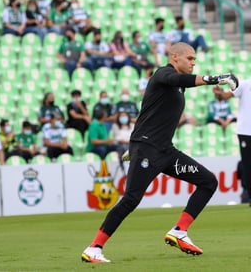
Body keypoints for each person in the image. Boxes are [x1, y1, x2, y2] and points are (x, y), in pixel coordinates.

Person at [81, 42, 238, 262]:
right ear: (175, 57)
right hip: (147, 148)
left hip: (164, 152)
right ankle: (94, 248)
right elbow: (177, 80)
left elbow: (153, 114)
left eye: (195, 59)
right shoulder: (163, 74)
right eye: (190, 59)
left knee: (208, 181)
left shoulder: (178, 85)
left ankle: (179, 231)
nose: (194, 62)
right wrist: (216, 78)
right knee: (131, 199)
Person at [213, 61, 251, 207]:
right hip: (245, 131)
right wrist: (219, 94)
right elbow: (226, 96)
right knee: (247, 164)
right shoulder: (246, 84)